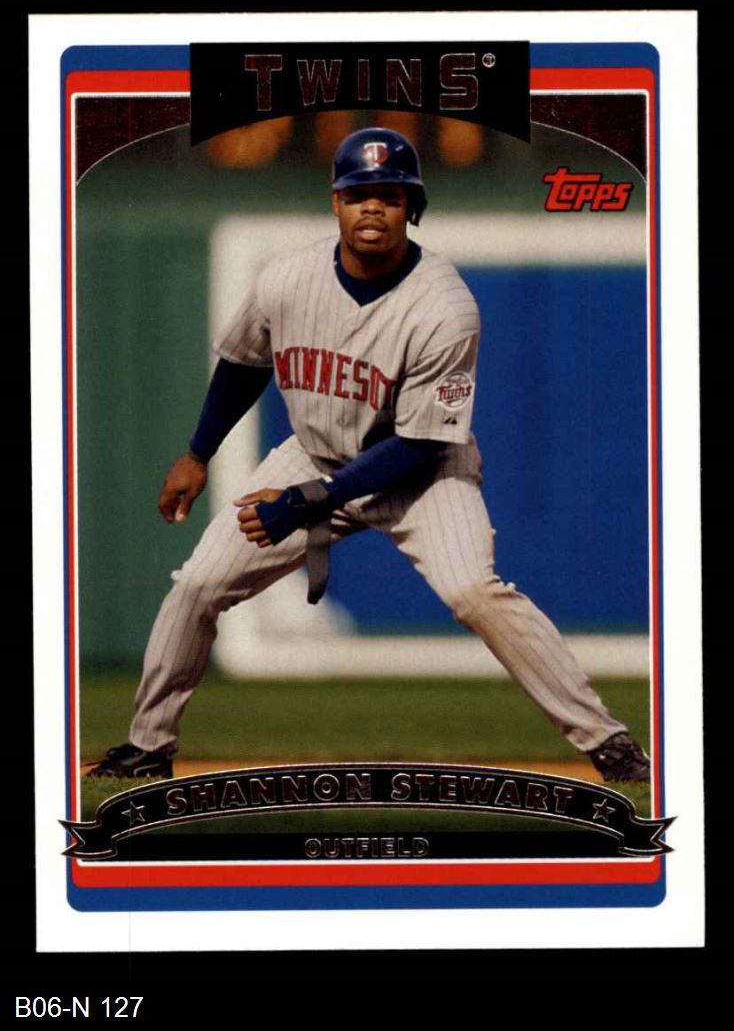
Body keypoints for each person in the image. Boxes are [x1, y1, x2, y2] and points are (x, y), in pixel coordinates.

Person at [89, 127, 650, 784]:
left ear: (413, 206)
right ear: (336, 202)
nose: (373, 206)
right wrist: (197, 453)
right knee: (197, 586)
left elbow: (420, 441)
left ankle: (608, 742)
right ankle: (149, 747)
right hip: (315, 457)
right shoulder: (288, 278)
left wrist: (305, 504)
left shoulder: (444, 306)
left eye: (390, 193)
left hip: (422, 474)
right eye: (359, 194)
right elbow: (244, 363)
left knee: (475, 592)